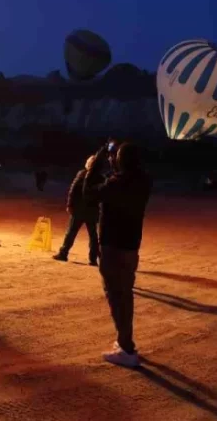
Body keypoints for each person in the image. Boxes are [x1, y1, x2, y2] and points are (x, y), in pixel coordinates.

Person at [84, 142, 152, 368]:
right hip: (131, 247)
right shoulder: (143, 182)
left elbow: (88, 193)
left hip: (113, 247)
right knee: (125, 294)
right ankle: (124, 342)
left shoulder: (116, 184)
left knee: (115, 295)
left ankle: (127, 348)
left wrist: (95, 165)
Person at [53, 156, 99, 265]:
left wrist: (70, 204)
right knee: (93, 236)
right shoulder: (99, 177)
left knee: (71, 233)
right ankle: (93, 259)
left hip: (80, 209)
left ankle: (63, 253)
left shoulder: (82, 174)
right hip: (91, 211)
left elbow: (73, 190)